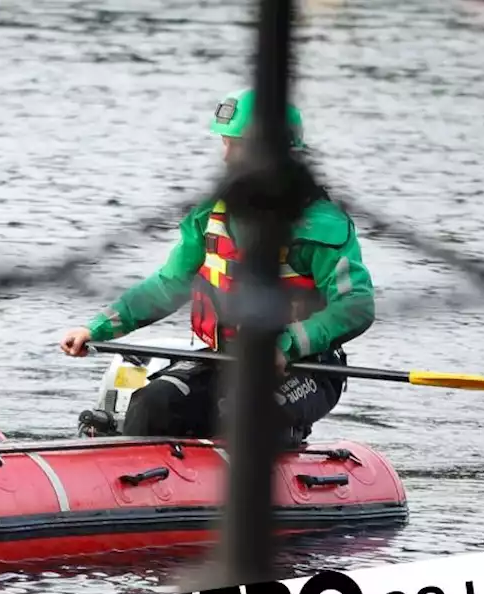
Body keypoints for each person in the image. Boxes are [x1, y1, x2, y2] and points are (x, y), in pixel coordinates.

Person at [60, 89, 376, 443]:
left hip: (307, 365)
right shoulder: (210, 212)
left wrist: (286, 345)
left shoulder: (322, 224)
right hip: (226, 358)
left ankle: (286, 438)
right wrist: (98, 328)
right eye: (225, 144)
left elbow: (356, 305)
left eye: (236, 146)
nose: (226, 157)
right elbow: (169, 285)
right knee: (152, 405)